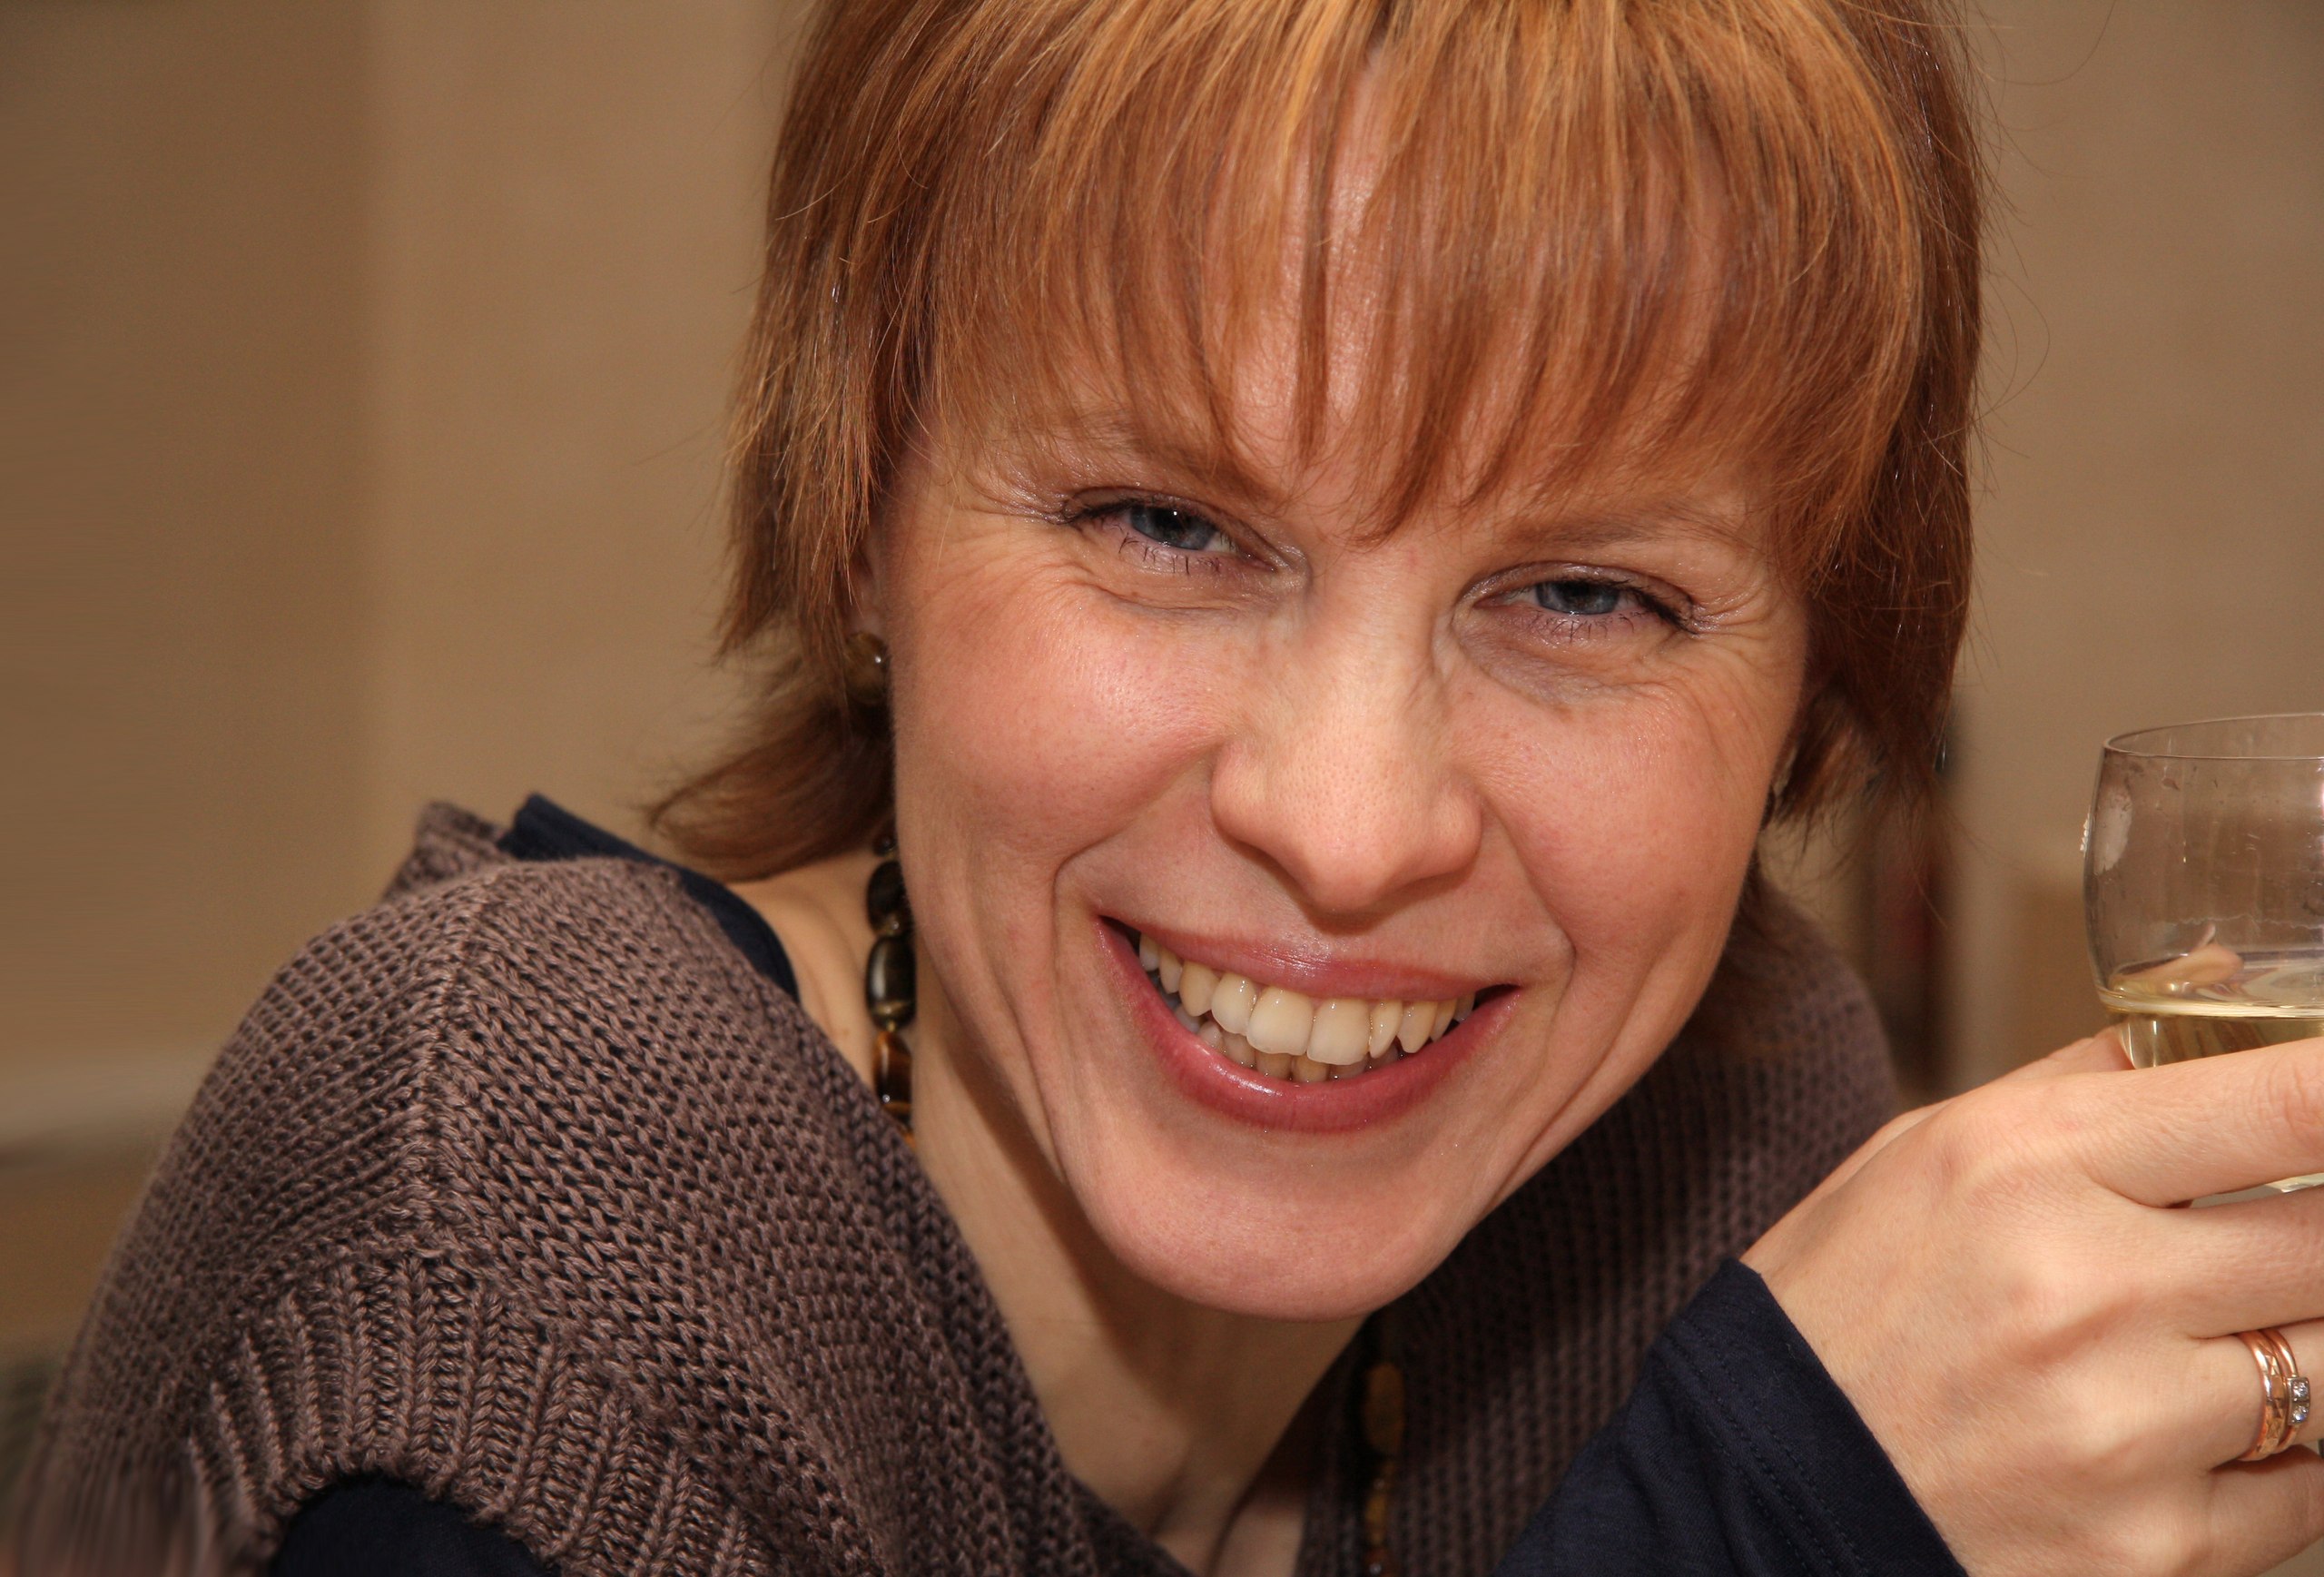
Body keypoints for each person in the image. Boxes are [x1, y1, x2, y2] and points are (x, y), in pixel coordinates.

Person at [17, 2, 2324, 1574]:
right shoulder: (510, 1206)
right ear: (860, 515)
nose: (1349, 820)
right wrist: (1761, 1516)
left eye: (1583, 593)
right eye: (1168, 525)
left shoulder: (1698, 1135)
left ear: (1819, 681)